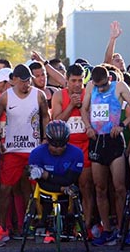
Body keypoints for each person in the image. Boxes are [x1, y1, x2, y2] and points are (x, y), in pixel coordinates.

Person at [81, 64, 130, 245]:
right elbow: (84, 109)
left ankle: (124, 229)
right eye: (97, 85)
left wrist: (123, 125)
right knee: (100, 188)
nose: (100, 88)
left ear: (110, 79)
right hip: (97, 141)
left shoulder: (119, 86)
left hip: (114, 140)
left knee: (120, 188)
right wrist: (88, 127)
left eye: (103, 85)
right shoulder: (91, 87)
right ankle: (107, 229)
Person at [0, 64, 51, 243]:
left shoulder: (38, 95)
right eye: (22, 81)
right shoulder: (5, 97)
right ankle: (3, 227)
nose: (26, 85)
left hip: (33, 149)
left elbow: (45, 115)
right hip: (12, 150)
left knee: (35, 188)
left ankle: (35, 224)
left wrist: (45, 138)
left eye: (28, 81)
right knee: (5, 188)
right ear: (14, 79)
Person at [51, 63, 96, 233]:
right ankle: (63, 223)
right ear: (67, 81)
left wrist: (83, 106)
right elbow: (55, 122)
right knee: (64, 188)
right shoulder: (59, 96)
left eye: (80, 81)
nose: (77, 84)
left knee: (86, 186)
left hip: (85, 147)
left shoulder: (89, 95)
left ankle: (86, 225)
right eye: (73, 81)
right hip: (65, 149)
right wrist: (71, 105)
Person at [27, 120, 85, 243]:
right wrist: (61, 188)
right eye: (54, 145)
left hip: (67, 187)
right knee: (39, 190)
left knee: (74, 190)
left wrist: (47, 175)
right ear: (47, 141)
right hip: (46, 189)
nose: (58, 149)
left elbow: (70, 179)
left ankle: (70, 222)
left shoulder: (77, 153)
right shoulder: (36, 154)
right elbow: (41, 183)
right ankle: (41, 221)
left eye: (61, 145)